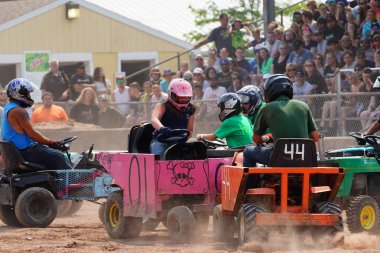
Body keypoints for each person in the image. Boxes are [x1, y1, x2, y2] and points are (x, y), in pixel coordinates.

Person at [243, 74, 319, 167]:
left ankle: (253, 182)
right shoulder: (303, 106)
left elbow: (256, 139)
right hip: (305, 158)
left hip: (278, 158)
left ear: (269, 91)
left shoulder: (267, 108)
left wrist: (267, 138)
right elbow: (315, 137)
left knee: (247, 152)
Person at [1, 78, 72, 170]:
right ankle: (71, 182)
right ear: (19, 94)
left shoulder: (8, 107)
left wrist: (50, 143)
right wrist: (51, 143)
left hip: (18, 151)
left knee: (51, 153)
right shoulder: (19, 111)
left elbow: (30, 133)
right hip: (26, 152)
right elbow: (33, 134)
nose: (30, 96)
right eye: (28, 93)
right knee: (59, 156)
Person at [150, 78, 195, 159]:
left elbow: (190, 130)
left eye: (185, 98)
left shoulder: (191, 109)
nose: (182, 100)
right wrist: (162, 128)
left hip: (180, 142)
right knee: (160, 152)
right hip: (161, 140)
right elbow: (154, 119)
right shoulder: (162, 105)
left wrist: (186, 135)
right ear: (171, 94)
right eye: (180, 98)